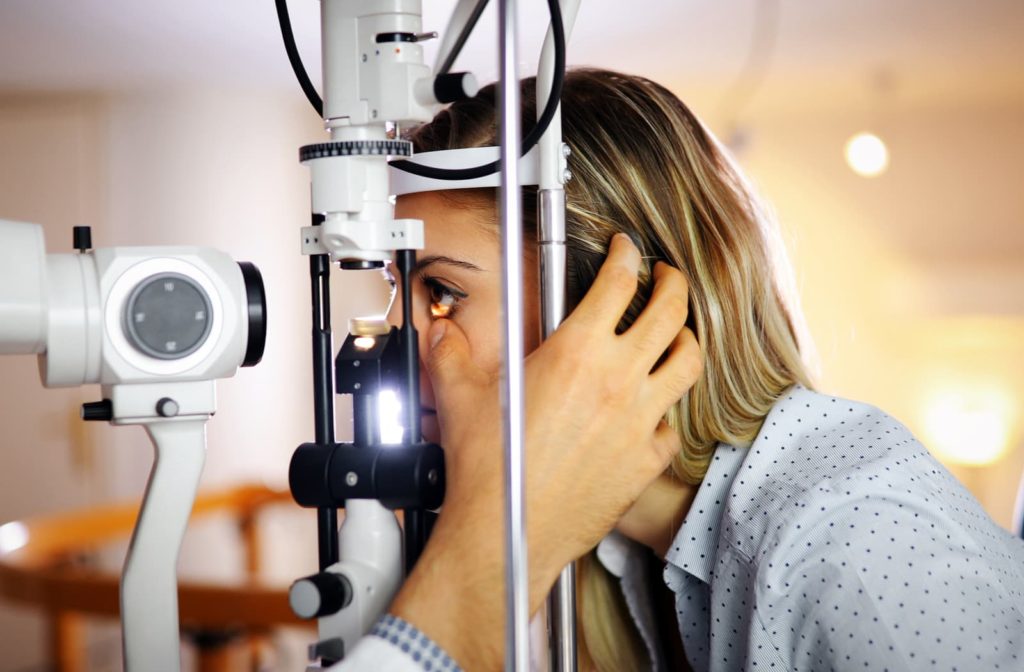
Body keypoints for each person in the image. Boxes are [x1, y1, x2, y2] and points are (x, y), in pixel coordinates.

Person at [332, 69, 1024, 671]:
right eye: (402, 294)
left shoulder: (856, 552)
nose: (401, 343)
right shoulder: (612, 551)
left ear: (618, 304)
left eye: (444, 292)